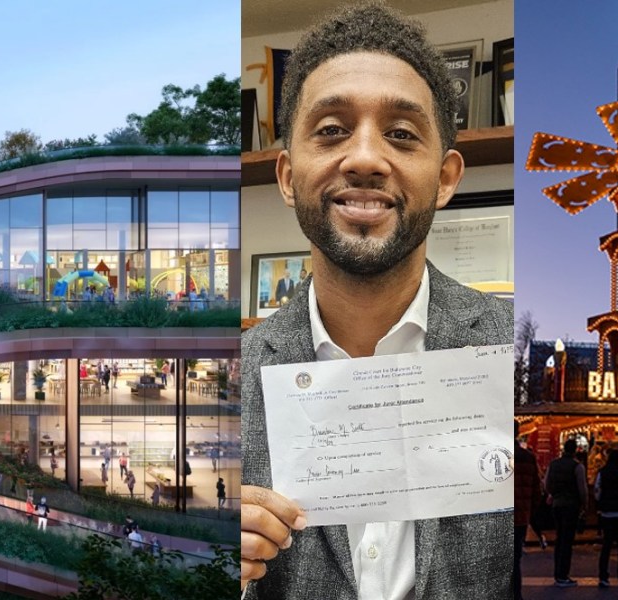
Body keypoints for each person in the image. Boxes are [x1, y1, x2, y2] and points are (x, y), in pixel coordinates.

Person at [241, 3, 512, 597]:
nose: (364, 158)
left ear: (444, 178)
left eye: (401, 134)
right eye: (332, 129)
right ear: (287, 175)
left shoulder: (511, 354)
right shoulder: (224, 380)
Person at [545, 439, 588, 587]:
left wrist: (553, 494)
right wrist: (584, 505)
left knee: (559, 538)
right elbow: (582, 488)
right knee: (567, 540)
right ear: (575, 450)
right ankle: (563, 574)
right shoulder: (577, 467)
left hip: (557, 505)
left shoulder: (553, 464)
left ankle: (558, 573)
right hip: (571, 505)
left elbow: (547, 483)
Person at [594, 448, 618, 587]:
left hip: (607, 513)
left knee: (607, 545)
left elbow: (597, 490)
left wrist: (601, 501)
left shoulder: (602, 472)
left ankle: (603, 577)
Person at [514, 421, 541, 600]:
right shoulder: (528, 457)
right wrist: (529, 512)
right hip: (520, 517)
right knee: (515, 560)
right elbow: (536, 490)